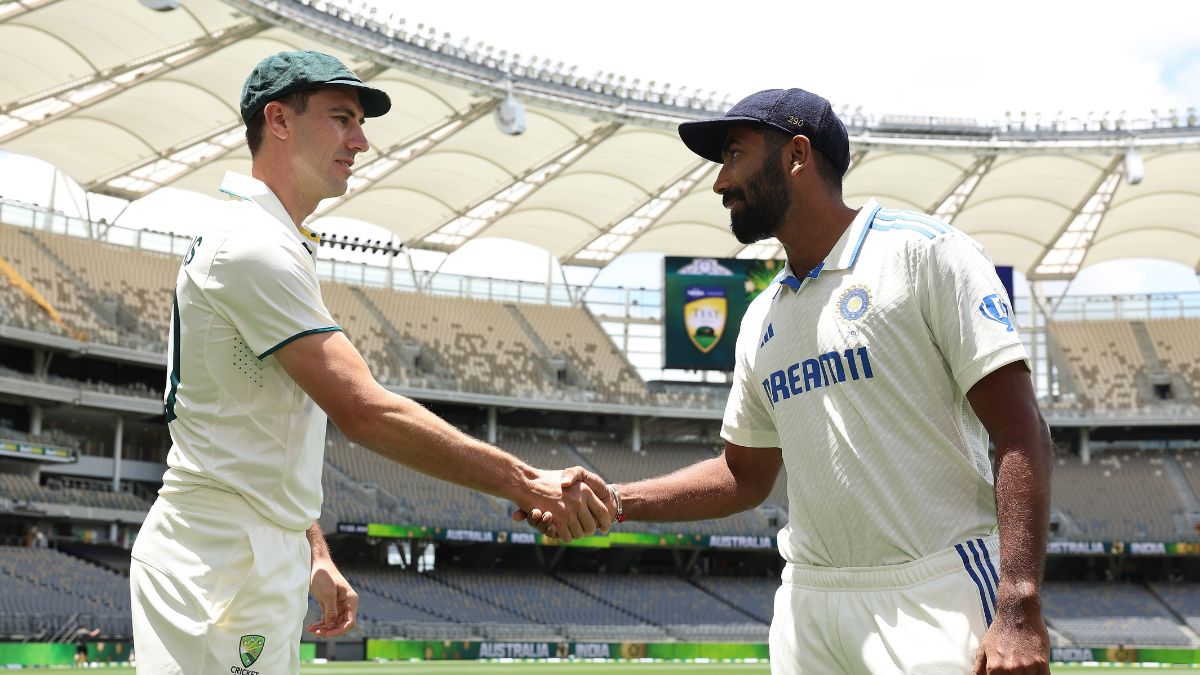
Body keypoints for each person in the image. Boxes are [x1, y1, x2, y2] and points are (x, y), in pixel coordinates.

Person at [519, 89, 1051, 674]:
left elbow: (1020, 429)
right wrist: (615, 501)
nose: (720, 182)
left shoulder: (925, 254)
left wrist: (1019, 605)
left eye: (734, 156)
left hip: (932, 589)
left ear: (797, 156)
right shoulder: (762, 315)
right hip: (806, 604)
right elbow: (743, 475)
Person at [130, 50, 610, 675]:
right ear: (278, 119)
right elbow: (363, 410)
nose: (360, 141)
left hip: (249, 550)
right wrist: (528, 482)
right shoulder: (252, 246)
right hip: (221, 560)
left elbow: (265, 433)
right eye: (341, 118)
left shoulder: (269, 240)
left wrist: (312, 550)